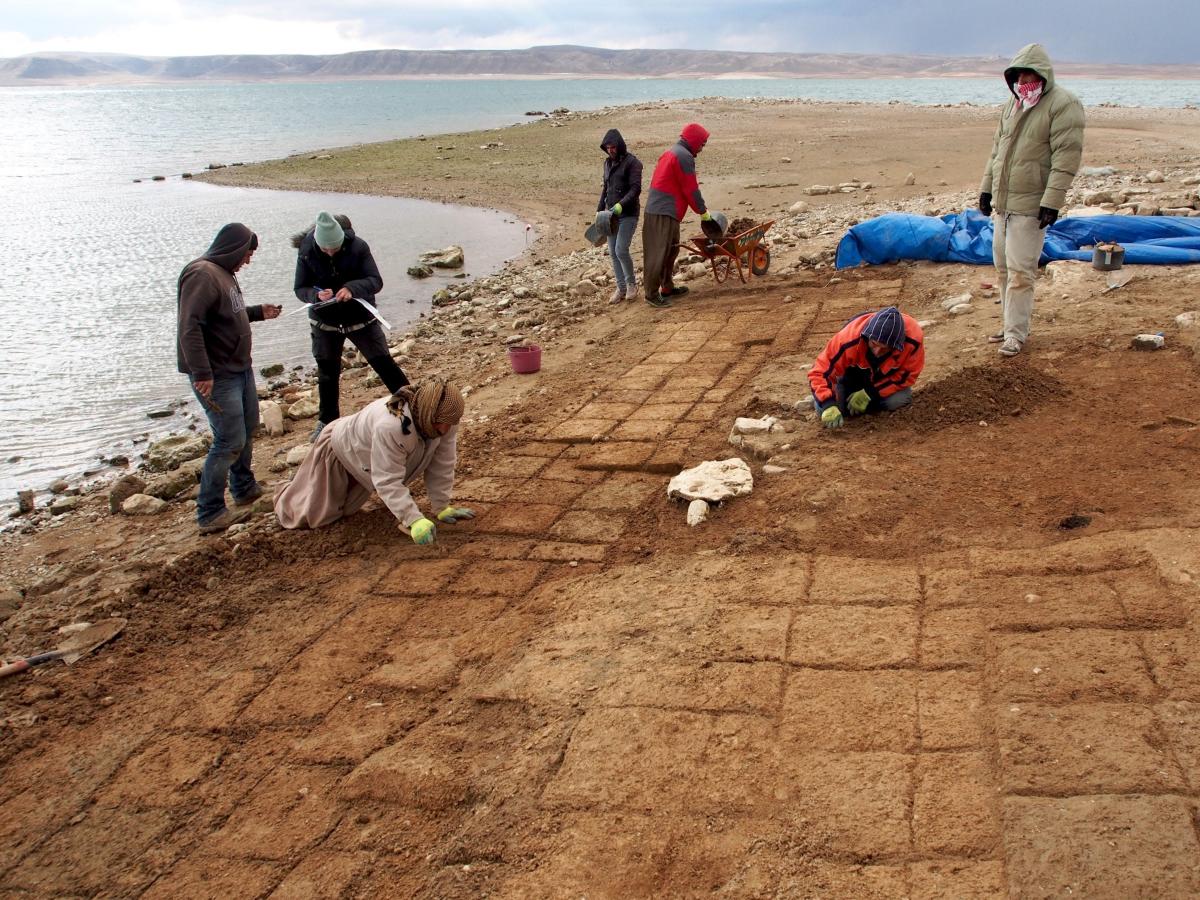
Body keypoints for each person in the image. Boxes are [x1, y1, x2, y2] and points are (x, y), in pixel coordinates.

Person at [979, 43, 1085, 358]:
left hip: (1031, 206)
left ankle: (1016, 335)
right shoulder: (1012, 106)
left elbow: (1066, 158)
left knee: (1022, 272)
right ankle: (1010, 325)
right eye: (1019, 74)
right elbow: (997, 152)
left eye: (1029, 73)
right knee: (1002, 269)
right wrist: (987, 189)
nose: (1024, 79)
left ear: (1042, 74)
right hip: (1004, 205)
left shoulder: (1063, 104)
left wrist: (1052, 201)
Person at [176, 223, 282, 534]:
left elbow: (226, 315)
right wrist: (202, 372)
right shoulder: (202, 274)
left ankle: (244, 488)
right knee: (229, 439)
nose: (247, 261)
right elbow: (189, 327)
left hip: (239, 368)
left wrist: (257, 312)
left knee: (248, 428)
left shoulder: (224, 274)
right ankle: (209, 512)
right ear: (233, 248)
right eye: (246, 254)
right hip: (217, 375)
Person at [274, 380, 473, 545]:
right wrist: (412, 519)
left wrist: (441, 505)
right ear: (429, 413)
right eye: (442, 423)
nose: (445, 429)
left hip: (370, 456)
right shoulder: (392, 425)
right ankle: (284, 494)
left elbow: (442, 462)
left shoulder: (445, 420)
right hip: (342, 450)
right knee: (313, 514)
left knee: (348, 508)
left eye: (450, 423)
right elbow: (387, 479)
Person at [293, 211, 409, 438]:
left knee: (383, 363)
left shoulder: (358, 247)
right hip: (325, 322)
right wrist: (316, 296)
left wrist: (352, 288)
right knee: (327, 373)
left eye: (333, 248)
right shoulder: (306, 251)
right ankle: (327, 423)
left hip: (360, 318)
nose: (329, 252)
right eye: (325, 249)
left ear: (341, 240)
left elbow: (375, 281)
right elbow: (300, 288)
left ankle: (409, 407)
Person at [642, 123, 719, 308]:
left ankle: (667, 288)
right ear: (693, 140)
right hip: (661, 212)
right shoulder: (683, 156)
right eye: (702, 144)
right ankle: (651, 295)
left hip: (668, 211)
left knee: (670, 251)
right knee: (657, 254)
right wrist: (703, 212)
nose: (701, 148)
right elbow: (690, 189)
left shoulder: (674, 152)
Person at [808, 307, 925, 429]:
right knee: (828, 410)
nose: (877, 351)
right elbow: (819, 371)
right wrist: (828, 403)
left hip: (883, 380)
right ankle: (831, 398)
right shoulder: (848, 338)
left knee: (898, 400)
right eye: (874, 344)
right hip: (853, 375)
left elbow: (906, 375)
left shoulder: (913, 340)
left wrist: (871, 392)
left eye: (884, 349)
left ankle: (868, 406)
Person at [597, 128, 643, 304]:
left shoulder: (633, 163)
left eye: (613, 147)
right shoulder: (607, 164)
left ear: (620, 146)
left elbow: (636, 189)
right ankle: (621, 287)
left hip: (628, 214)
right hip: (610, 215)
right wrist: (600, 209)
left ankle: (632, 284)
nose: (611, 150)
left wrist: (620, 205)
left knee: (621, 249)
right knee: (613, 253)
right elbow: (605, 188)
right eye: (608, 148)